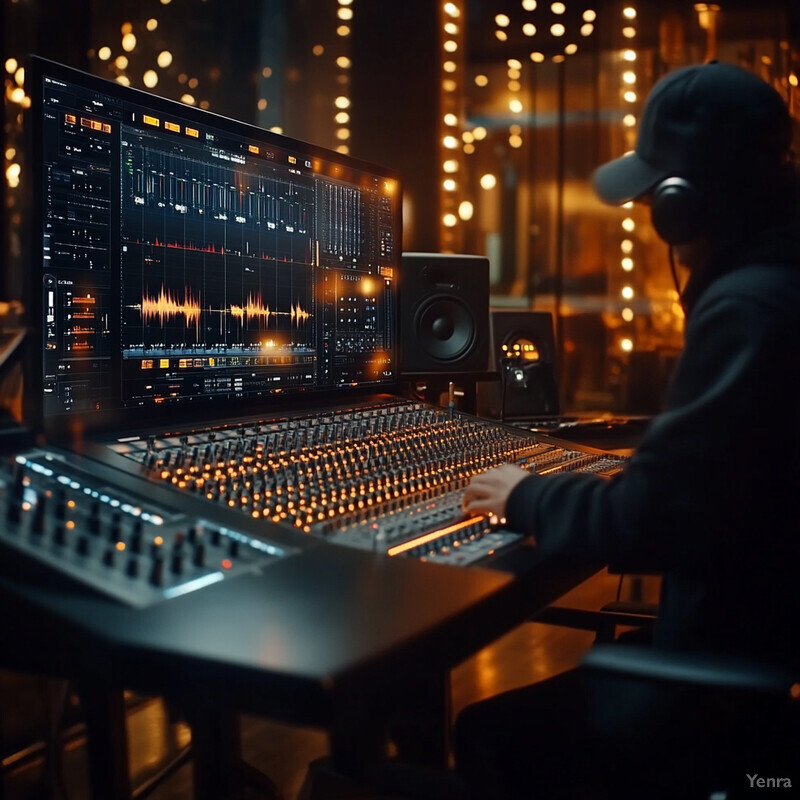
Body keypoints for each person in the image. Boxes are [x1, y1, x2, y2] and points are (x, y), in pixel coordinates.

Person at [455, 61, 800, 799]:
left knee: (486, 734)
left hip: (725, 702)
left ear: (683, 206)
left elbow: (650, 520)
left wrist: (526, 493)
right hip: (760, 655)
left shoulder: (750, 308)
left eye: (655, 198)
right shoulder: (779, 279)